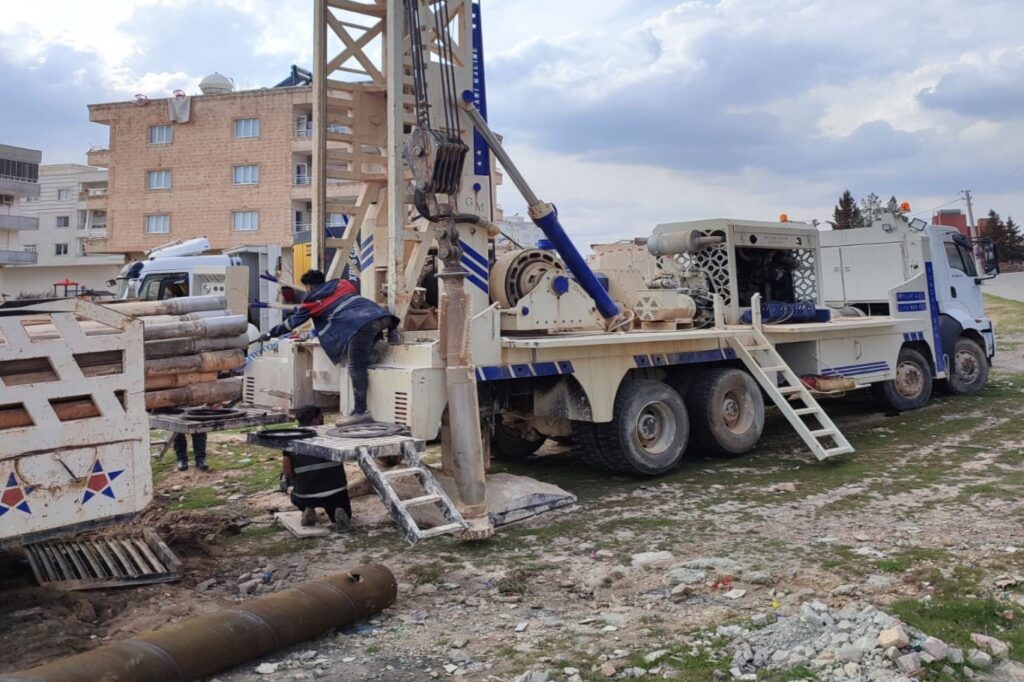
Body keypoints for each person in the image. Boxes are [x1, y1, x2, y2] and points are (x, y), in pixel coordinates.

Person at [260, 269, 396, 426]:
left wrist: (270, 333)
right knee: (363, 350)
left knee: (355, 367)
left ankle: (361, 412)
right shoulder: (343, 284)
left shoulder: (311, 301)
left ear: (309, 286)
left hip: (360, 326)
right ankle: (376, 348)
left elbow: (290, 324)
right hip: (382, 317)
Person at [282, 405, 351, 532]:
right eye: (321, 417)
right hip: (336, 492)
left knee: (295, 497)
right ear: (315, 420)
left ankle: (307, 508)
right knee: (338, 503)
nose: (323, 419)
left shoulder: (290, 440)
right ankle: (338, 513)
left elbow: (287, 472)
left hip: (306, 493)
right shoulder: (332, 435)